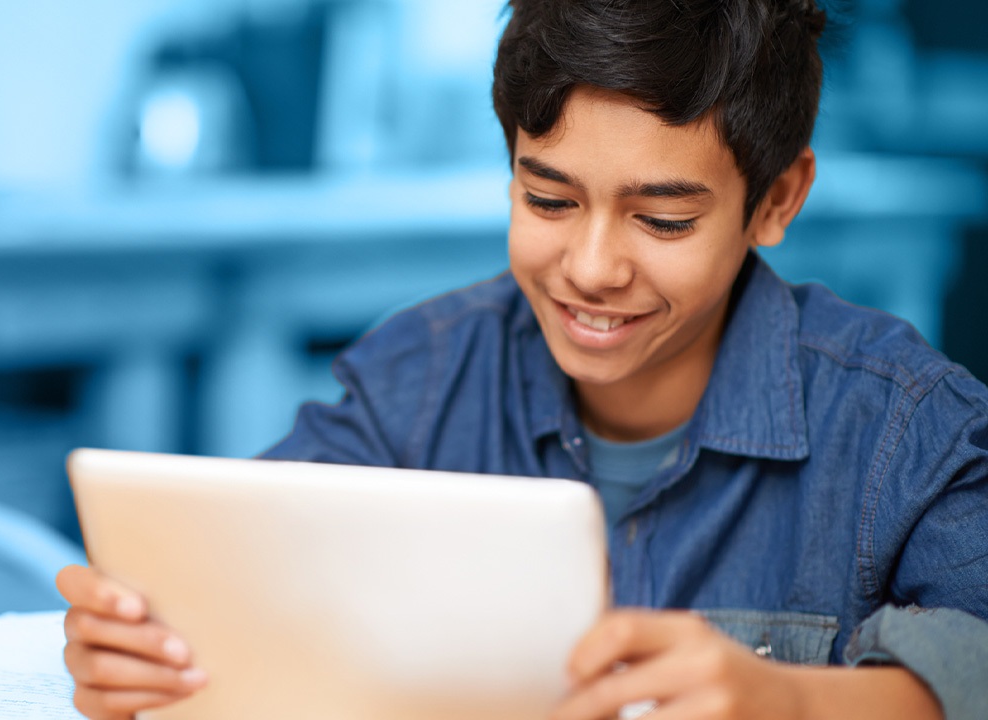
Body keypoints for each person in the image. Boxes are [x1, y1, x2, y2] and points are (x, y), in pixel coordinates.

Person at [56, 0, 988, 718]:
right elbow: (236, 591)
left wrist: (795, 702)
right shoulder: (413, 385)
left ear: (777, 201)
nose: (590, 269)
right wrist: (143, 650)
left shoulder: (901, 428)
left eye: (663, 221)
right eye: (548, 202)